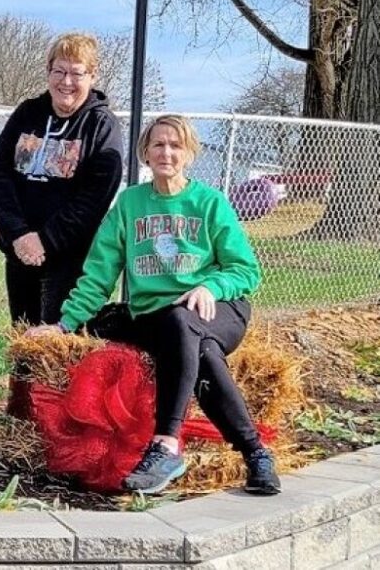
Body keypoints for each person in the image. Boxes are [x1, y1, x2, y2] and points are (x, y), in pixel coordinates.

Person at [28, 115, 281, 496]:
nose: (167, 152)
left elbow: (246, 271)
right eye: (158, 144)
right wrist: (66, 325)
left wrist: (211, 286)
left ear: (190, 154)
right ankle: (256, 454)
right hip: (158, 317)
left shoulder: (210, 203)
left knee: (187, 323)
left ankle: (165, 443)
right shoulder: (130, 204)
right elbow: (100, 274)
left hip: (220, 309)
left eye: (176, 145)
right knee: (198, 347)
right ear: (145, 152)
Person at [0, 32, 124, 326]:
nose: (66, 82)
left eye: (76, 73)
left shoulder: (101, 125)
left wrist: (46, 240)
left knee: (57, 345)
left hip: (69, 258)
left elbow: (95, 196)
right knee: (24, 343)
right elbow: (0, 175)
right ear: (48, 72)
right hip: (21, 251)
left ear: (92, 75)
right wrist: (18, 234)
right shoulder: (27, 114)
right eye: (59, 71)